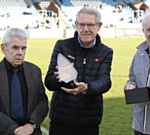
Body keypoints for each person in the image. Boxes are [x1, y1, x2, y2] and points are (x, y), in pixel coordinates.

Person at [44, 6, 113, 135]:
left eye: (90, 25)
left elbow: (105, 81)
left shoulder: (106, 52)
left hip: (89, 120)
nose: (85, 29)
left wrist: (88, 87)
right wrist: (60, 78)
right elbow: (49, 82)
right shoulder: (63, 46)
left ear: (99, 26)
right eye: (82, 24)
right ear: (76, 25)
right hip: (61, 118)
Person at [0, 28, 49, 135]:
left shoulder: (34, 71)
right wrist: (16, 130)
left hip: (30, 132)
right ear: (3, 48)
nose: (20, 53)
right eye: (15, 48)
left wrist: (31, 124)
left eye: (23, 48)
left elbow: (42, 101)